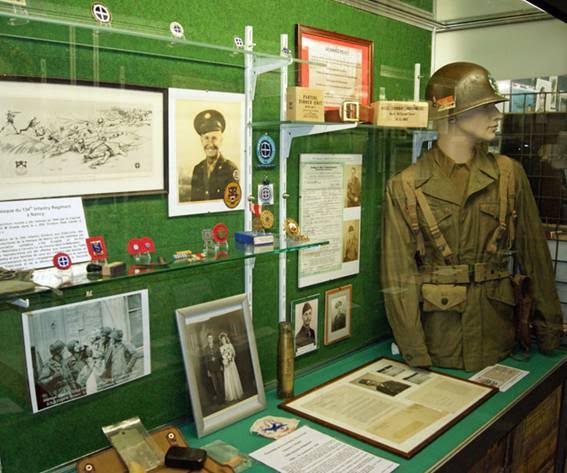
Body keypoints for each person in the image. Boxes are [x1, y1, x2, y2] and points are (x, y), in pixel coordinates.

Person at [381, 62, 563, 372]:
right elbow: (398, 276)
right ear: (451, 114)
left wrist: (549, 331)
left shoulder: (509, 174)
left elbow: (535, 258)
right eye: (485, 107)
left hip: (498, 335)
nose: (497, 114)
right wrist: (415, 352)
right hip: (440, 340)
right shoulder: (406, 185)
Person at [190, 109, 239, 201]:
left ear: (221, 140)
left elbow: (233, 202)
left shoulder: (230, 169)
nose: (210, 143)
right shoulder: (197, 169)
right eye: (206, 138)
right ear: (201, 141)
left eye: (214, 138)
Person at [219, 332, 244, 402]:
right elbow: (221, 356)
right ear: (221, 341)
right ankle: (231, 395)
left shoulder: (230, 345)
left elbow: (234, 353)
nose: (223, 340)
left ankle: (237, 393)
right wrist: (226, 360)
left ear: (226, 339)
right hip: (226, 365)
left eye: (224, 339)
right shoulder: (221, 348)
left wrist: (231, 358)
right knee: (228, 378)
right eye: (222, 340)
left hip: (232, 363)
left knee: (234, 376)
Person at [203, 333, 224, 402]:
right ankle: (219, 399)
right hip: (211, 369)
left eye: (211, 338)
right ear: (207, 340)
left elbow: (220, 356)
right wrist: (208, 370)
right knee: (215, 385)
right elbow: (206, 361)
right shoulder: (206, 349)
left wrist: (221, 365)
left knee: (221, 383)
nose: (210, 339)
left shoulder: (216, 346)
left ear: (212, 339)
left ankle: (223, 398)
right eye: (209, 338)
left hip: (218, 367)